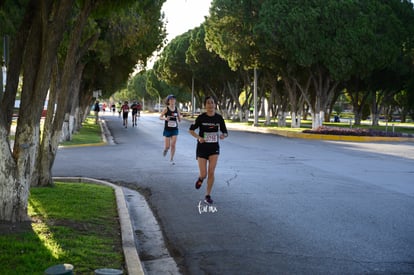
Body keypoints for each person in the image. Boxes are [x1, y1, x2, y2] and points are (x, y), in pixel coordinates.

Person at [189, 96, 228, 204]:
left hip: (214, 148)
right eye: (208, 103)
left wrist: (223, 135)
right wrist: (199, 138)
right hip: (202, 148)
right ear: (205, 105)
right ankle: (201, 179)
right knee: (204, 174)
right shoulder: (201, 117)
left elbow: (225, 132)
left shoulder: (219, 118)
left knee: (211, 172)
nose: (210, 105)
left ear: (215, 104)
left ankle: (207, 195)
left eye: (212, 103)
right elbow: (191, 130)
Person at [160, 95, 181, 164]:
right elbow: (160, 117)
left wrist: (179, 118)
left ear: (175, 101)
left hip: (174, 129)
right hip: (167, 129)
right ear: (168, 101)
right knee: (167, 146)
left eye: (173, 100)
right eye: (171, 100)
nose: (172, 101)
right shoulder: (166, 109)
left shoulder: (176, 109)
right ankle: (166, 149)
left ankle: (171, 159)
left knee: (173, 145)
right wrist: (165, 118)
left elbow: (179, 119)